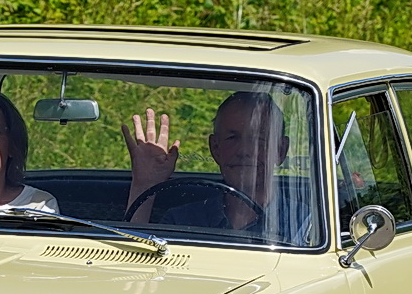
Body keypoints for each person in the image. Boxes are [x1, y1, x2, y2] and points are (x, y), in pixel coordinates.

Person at [121, 91, 304, 237]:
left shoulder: (304, 225)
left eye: (259, 139)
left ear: (280, 150)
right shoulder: (184, 220)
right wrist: (144, 185)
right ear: (215, 148)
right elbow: (139, 268)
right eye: (232, 138)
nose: (245, 151)